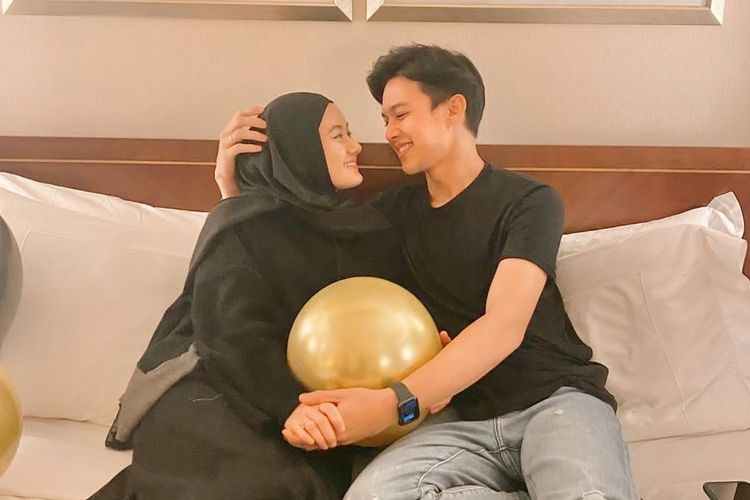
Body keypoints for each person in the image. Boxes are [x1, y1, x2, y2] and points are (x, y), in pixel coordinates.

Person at [217, 45, 639, 499]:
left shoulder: (529, 201)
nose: (388, 132)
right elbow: (289, 254)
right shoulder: (390, 214)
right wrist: (234, 193)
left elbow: (504, 325)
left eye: (400, 114)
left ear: (453, 108)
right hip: (458, 421)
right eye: (385, 119)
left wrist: (392, 403)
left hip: (553, 400)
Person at [90, 92, 437, 500]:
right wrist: (292, 407)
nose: (356, 146)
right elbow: (230, 335)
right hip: (218, 384)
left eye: (349, 133)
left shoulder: (371, 228)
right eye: (338, 135)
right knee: (234, 483)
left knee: (290, 483)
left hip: (309, 399)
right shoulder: (241, 224)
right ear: (300, 149)